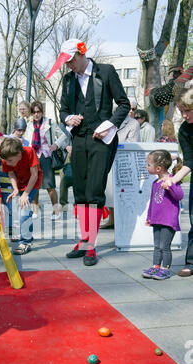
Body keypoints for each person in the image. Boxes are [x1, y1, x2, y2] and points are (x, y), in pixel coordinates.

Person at [45, 38, 130, 265]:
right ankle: (83, 240)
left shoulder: (107, 71)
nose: (68, 66)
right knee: (80, 192)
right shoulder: (68, 79)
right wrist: (67, 117)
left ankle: (91, 245)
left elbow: (124, 104)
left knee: (94, 190)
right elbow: (63, 109)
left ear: (81, 54)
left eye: (71, 61)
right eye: (66, 63)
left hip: (102, 140)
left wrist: (108, 125)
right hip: (78, 140)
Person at [162, 86, 193, 277]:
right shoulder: (184, 130)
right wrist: (173, 180)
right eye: (180, 111)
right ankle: (191, 262)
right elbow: (190, 159)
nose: (183, 115)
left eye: (186, 111)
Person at [24, 100, 69, 220]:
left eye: (38, 112)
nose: (36, 114)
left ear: (42, 112)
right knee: (34, 185)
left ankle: (56, 212)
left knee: (49, 185)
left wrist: (55, 145)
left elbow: (63, 136)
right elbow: (26, 141)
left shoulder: (49, 122)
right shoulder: (29, 125)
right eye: (34, 112)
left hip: (46, 155)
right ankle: (35, 210)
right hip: (33, 155)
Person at [142, 149, 183, 280]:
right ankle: (156, 267)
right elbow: (153, 203)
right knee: (156, 246)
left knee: (164, 246)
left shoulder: (172, 180)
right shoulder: (155, 183)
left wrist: (169, 186)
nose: (147, 167)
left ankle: (165, 269)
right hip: (157, 220)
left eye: (149, 164)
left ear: (158, 168)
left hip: (168, 220)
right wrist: (149, 217)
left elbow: (179, 196)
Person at [0, 137, 43, 255]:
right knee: (19, 207)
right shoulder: (6, 157)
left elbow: (34, 175)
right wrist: (15, 189)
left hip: (33, 182)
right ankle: (26, 233)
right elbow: (11, 174)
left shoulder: (29, 152)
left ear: (19, 153)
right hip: (20, 182)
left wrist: (26, 193)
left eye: (10, 161)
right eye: (6, 161)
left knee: (24, 208)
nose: (7, 163)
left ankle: (26, 241)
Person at [101, 111, 141, 229]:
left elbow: (132, 143)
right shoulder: (109, 122)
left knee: (123, 193)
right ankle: (111, 219)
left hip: (124, 161)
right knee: (109, 192)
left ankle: (123, 221)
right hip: (109, 159)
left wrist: (114, 145)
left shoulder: (133, 123)